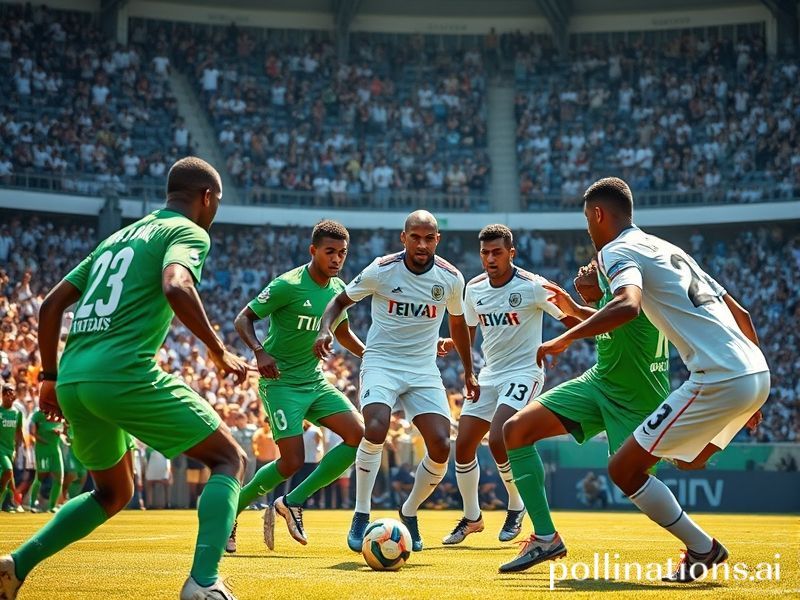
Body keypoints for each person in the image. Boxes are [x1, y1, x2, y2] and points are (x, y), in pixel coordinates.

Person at [0, 156, 251, 600]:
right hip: (122, 373)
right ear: (207, 198)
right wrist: (217, 349)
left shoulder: (115, 239)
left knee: (113, 491)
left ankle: (15, 566)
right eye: (218, 203)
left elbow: (50, 306)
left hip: (75, 379)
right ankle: (204, 582)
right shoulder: (187, 231)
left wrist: (50, 378)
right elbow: (176, 285)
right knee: (229, 459)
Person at [535, 177, 769, 582]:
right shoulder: (668, 249)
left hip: (719, 377)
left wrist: (565, 337)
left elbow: (627, 305)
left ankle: (703, 549)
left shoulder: (616, 250)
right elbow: (743, 316)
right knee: (688, 460)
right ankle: (702, 547)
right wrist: (754, 396)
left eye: (587, 221)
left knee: (623, 470)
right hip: (755, 372)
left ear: (597, 214)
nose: (589, 230)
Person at [314, 210, 479, 553]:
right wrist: (325, 328)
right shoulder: (382, 269)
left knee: (440, 445)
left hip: (422, 368)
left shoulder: (450, 278)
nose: (421, 244)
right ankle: (361, 513)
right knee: (374, 426)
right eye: (415, 237)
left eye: (428, 238)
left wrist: (468, 369)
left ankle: (410, 510)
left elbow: (459, 326)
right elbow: (340, 300)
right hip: (382, 363)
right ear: (403, 238)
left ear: (438, 240)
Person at [498, 257, 670, 572]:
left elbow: (624, 316)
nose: (585, 268)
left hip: (638, 401)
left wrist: (567, 333)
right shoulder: (612, 301)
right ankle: (546, 538)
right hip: (600, 383)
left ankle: (700, 545)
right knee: (516, 430)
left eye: (595, 266)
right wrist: (576, 311)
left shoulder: (633, 295)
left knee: (641, 478)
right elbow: (612, 323)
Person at [227, 220, 365, 552]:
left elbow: (343, 333)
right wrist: (259, 352)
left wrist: (371, 356)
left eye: (342, 253)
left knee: (358, 433)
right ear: (313, 251)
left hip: (315, 381)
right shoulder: (287, 285)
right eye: (330, 252)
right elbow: (242, 318)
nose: (336, 259)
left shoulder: (337, 290)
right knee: (290, 461)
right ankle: (231, 513)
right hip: (281, 384)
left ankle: (293, 500)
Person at [437, 224, 572, 545]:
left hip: (524, 372)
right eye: (485, 253)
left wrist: (560, 343)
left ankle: (516, 504)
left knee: (499, 438)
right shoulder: (474, 288)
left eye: (497, 252)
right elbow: (468, 333)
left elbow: (570, 319)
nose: (490, 258)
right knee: (464, 445)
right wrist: (466, 369)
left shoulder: (534, 286)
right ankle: (472, 517)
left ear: (511, 253)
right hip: (489, 374)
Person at [27, 407, 64, 513]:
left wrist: (61, 433)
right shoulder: (38, 415)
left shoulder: (60, 414)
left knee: (59, 478)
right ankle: (32, 505)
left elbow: (66, 432)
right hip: (43, 451)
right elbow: (32, 432)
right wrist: (43, 440)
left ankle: (52, 507)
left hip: (56, 450)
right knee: (40, 477)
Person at [0, 384, 24, 512]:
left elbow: (18, 430)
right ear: (2, 395)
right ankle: (12, 501)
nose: (9, 395)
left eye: (11, 393)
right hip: (0, 449)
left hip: (10, 449)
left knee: (7, 476)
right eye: (6, 393)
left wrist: (20, 446)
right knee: (9, 471)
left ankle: (6, 504)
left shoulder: (17, 413)